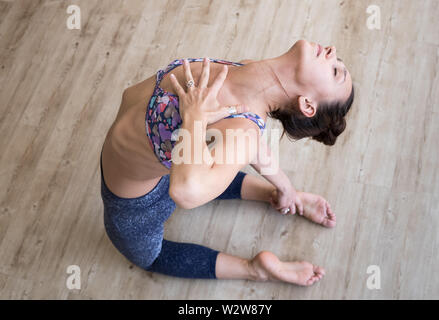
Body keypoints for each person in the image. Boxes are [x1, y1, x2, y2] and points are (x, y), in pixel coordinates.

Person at [99, 39, 354, 286]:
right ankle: (272, 194)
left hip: (137, 202)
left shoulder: (244, 130)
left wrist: (195, 117)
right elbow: (249, 146)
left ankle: (254, 269)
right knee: (213, 166)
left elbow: (185, 192)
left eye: (335, 72)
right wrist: (287, 190)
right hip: (174, 168)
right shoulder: (249, 71)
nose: (332, 49)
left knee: (149, 258)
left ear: (307, 104)